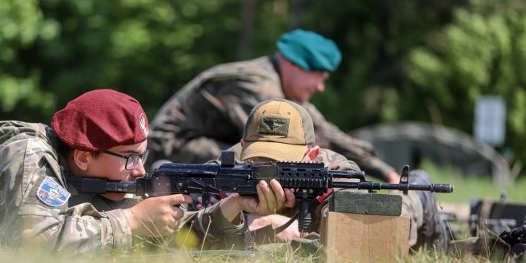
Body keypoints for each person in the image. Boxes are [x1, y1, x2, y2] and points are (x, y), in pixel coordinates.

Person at [0, 89, 293, 253]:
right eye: (128, 158)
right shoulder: (27, 154)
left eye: (143, 154)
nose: (139, 169)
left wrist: (230, 210)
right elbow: (34, 241)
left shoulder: (101, 177)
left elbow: (160, 239)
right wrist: (129, 224)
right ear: (84, 156)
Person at [148, 28, 400, 183]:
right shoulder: (259, 86)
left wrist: (387, 174)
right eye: (319, 77)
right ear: (295, 65)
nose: (321, 87)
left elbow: (325, 133)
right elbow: (286, 143)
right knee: (269, 161)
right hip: (170, 154)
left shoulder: (281, 90)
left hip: (202, 146)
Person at [208, 98, 449, 253]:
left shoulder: (337, 173)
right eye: (260, 159)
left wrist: (289, 230)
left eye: (282, 160)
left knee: (394, 220)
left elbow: (355, 245)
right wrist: (239, 217)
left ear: (311, 155)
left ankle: (421, 191)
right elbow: (183, 224)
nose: (269, 170)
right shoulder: (228, 170)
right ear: (243, 147)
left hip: (391, 217)